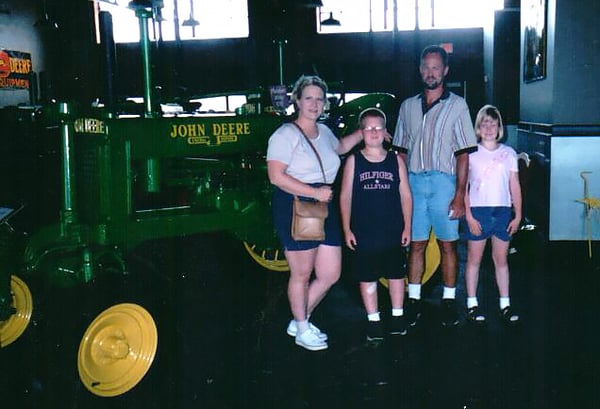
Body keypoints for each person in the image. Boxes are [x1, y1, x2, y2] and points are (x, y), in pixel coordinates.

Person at [266, 75, 364, 351]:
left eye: (319, 99)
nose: (314, 103)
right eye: (308, 97)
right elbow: (276, 176)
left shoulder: (324, 131)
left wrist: (364, 130)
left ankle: (300, 321)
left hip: (323, 203)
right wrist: (314, 193)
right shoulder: (285, 135)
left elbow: (339, 148)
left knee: (331, 273)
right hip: (298, 203)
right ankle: (301, 327)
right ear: (297, 100)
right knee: (302, 272)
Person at [392, 45, 478, 327]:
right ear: (420, 70)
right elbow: (400, 152)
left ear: (445, 71)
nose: (431, 72)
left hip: (444, 183)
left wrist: (459, 196)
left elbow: (464, 153)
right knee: (415, 245)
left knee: (448, 245)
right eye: (426, 67)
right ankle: (413, 301)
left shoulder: (458, 105)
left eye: (436, 67)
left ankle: (450, 301)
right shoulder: (407, 107)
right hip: (414, 183)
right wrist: (401, 189)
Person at [340, 108, 412, 341]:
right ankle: (373, 320)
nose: (373, 132)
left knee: (395, 274)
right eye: (368, 128)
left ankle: (398, 316)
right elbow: (345, 196)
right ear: (361, 132)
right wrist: (346, 228)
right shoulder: (354, 160)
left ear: (385, 131)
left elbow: (406, 196)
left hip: (392, 230)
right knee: (367, 277)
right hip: (364, 232)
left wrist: (408, 227)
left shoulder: (395, 160)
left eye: (378, 127)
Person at [464, 105, 522, 324]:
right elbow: (464, 188)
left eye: (493, 122)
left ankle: (505, 304)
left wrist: (517, 215)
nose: (489, 127)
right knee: (474, 260)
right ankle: (471, 303)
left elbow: (514, 186)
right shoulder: (470, 153)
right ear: (478, 127)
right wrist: (469, 216)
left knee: (501, 260)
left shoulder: (508, 153)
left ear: (499, 126)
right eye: (484, 123)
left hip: (503, 212)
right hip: (478, 212)